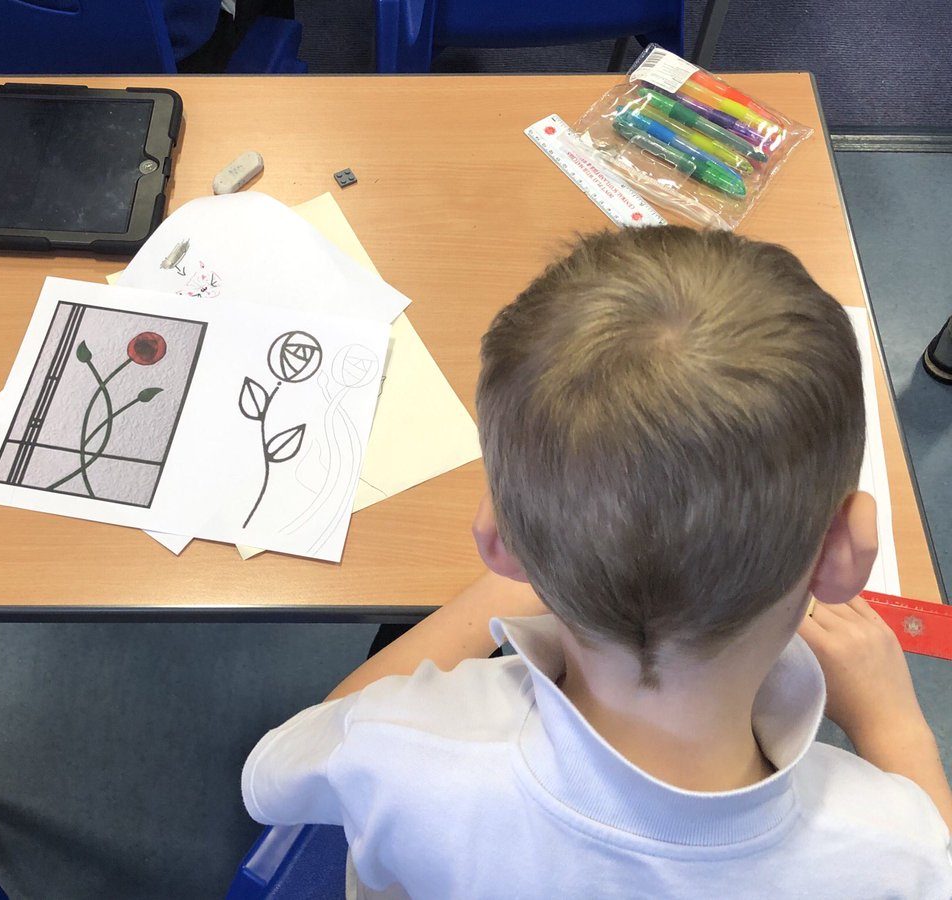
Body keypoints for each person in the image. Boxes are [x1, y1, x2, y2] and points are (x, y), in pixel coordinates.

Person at [241, 227, 952, 898]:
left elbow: (274, 771)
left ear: (499, 540)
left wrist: (522, 571)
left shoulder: (399, 744)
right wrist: (894, 729)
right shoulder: (892, 848)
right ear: (844, 555)